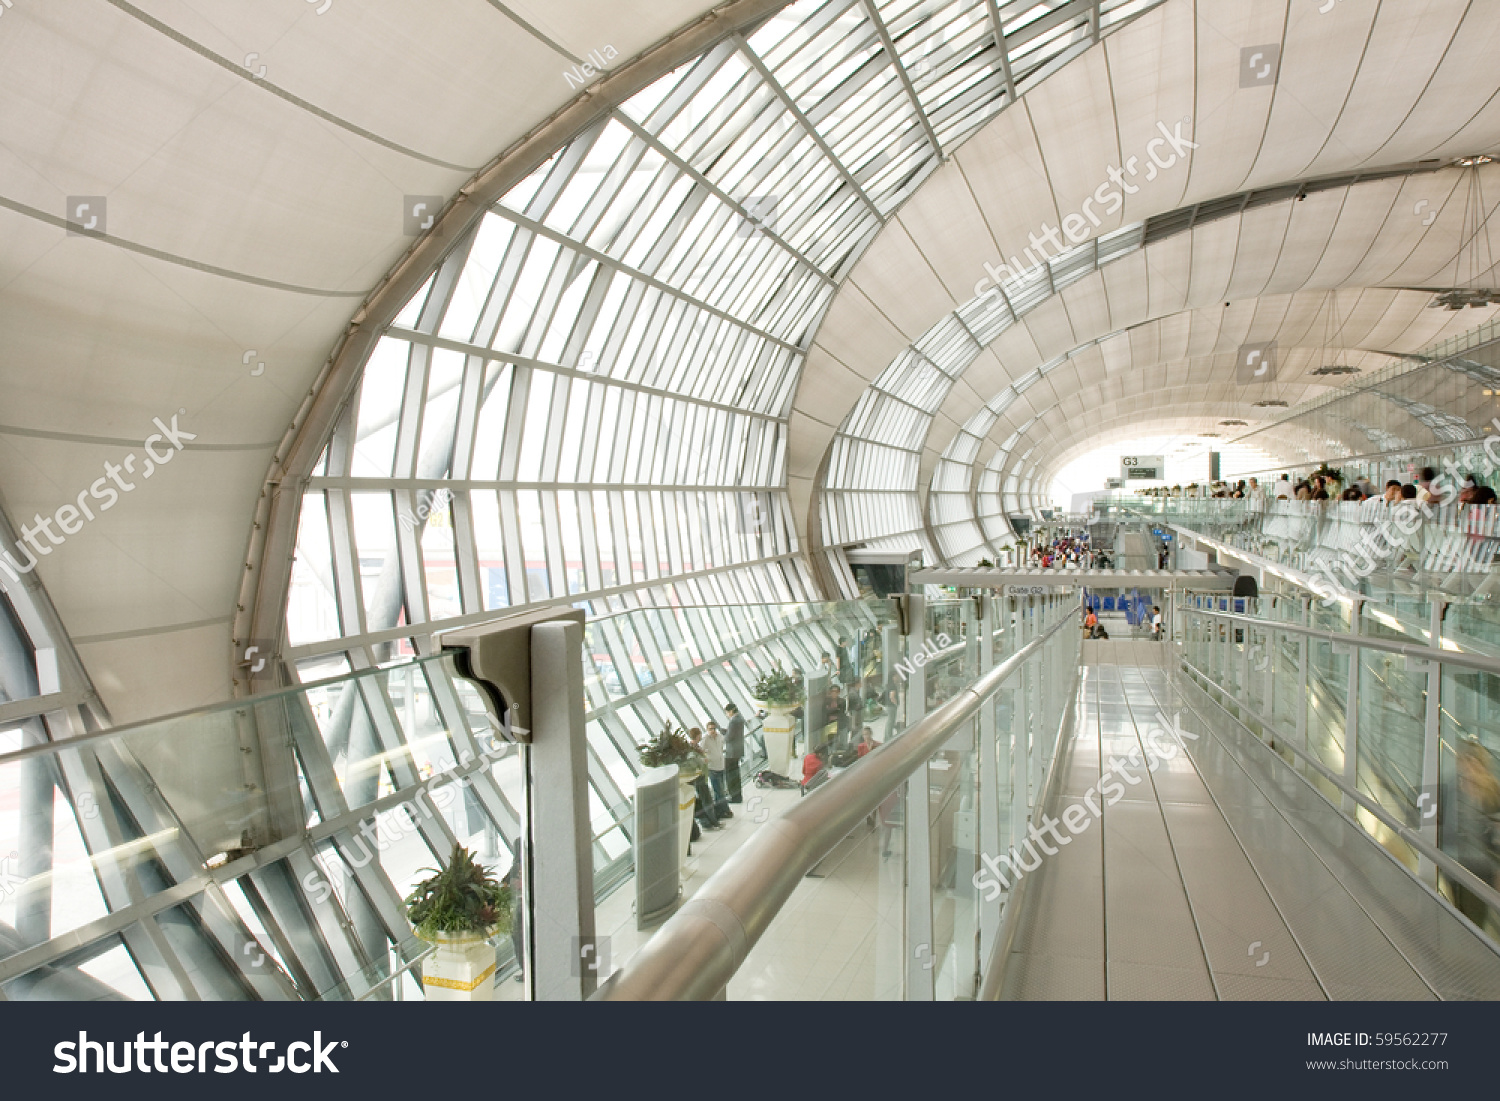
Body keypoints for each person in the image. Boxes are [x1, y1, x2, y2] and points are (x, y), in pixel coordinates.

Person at [702, 720, 732, 819]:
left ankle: (719, 811)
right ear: (707, 729)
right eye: (710, 729)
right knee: (720, 791)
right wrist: (706, 759)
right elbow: (700, 751)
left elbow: (724, 742)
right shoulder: (705, 739)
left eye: (714, 729)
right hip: (712, 768)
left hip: (721, 766)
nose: (713, 731)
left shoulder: (719, 737)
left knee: (719, 791)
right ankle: (726, 810)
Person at [723, 703, 745, 801]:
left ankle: (734, 796)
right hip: (738, 750)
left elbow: (729, 737)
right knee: (735, 774)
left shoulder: (733, 721)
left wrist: (724, 734)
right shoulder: (740, 718)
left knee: (730, 775)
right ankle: (737, 795)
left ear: (731, 711)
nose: (727, 714)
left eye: (727, 712)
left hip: (731, 752)